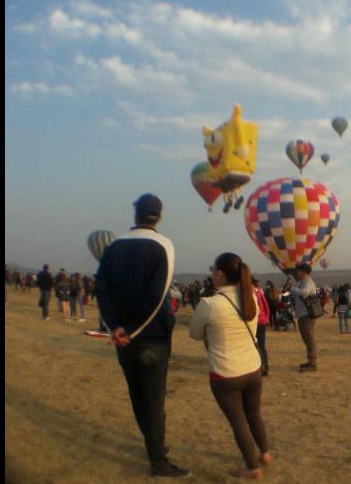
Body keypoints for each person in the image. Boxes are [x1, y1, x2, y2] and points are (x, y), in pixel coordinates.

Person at [95, 193, 189, 478]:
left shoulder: (112, 248)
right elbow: (157, 295)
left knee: (137, 397)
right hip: (152, 337)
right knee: (153, 399)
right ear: (158, 216)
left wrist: (116, 328)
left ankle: (155, 445)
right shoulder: (164, 245)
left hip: (123, 338)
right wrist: (133, 330)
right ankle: (158, 461)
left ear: (135, 215)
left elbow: (102, 291)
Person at [189, 253, 271, 479]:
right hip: (252, 368)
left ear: (219, 273)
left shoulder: (209, 304)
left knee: (238, 422)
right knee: (254, 414)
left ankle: (253, 467)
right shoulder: (251, 298)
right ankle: (265, 453)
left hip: (226, 373)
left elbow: (194, 333)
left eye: (213, 270)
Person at [290, 263, 318, 372]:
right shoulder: (302, 283)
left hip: (307, 314)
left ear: (303, 271)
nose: (297, 273)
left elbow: (304, 293)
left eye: (298, 271)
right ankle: (310, 360)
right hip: (302, 314)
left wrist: (293, 289)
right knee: (306, 338)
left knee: (309, 338)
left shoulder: (309, 283)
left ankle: (312, 362)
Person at [252, 278, 270, 376]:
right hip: (262, 321)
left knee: (257, 345)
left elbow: (256, 308)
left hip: (257, 322)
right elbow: (266, 305)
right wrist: (266, 317)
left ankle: (261, 367)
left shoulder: (253, 293)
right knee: (262, 345)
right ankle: (265, 366)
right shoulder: (259, 292)